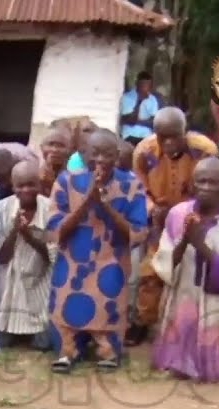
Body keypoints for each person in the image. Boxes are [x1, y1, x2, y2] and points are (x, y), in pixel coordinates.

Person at [47, 129, 149, 372]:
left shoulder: (131, 185)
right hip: (72, 258)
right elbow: (53, 230)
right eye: (95, 154)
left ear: (117, 156)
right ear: (83, 155)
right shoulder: (66, 181)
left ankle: (107, 350)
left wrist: (105, 205)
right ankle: (68, 350)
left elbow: (137, 233)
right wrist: (87, 201)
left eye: (107, 154)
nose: (100, 160)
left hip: (111, 259)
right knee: (67, 300)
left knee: (109, 298)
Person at [151, 158, 219, 382]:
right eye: (201, 182)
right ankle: (180, 362)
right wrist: (185, 241)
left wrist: (201, 245)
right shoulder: (178, 214)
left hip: (218, 301)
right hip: (184, 291)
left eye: (213, 183)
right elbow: (165, 260)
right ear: (193, 183)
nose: (206, 188)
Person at [126, 107, 219, 347]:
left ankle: (188, 326)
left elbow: (209, 186)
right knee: (151, 272)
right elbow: (139, 189)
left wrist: (188, 213)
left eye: (174, 136)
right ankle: (143, 322)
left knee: (190, 272)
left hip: (193, 217)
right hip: (159, 219)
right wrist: (152, 209)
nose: (169, 143)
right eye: (162, 137)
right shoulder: (144, 152)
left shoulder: (204, 150)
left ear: (184, 132)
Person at [0, 160, 54, 349]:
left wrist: (29, 236)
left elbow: (51, 258)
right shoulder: (2, 208)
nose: (26, 190)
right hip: (9, 293)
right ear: (13, 186)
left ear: (40, 184)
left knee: (43, 345)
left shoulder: (51, 209)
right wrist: (15, 232)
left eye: (31, 184)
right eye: (20, 185)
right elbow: (0, 258)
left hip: (39, 286)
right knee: (3, 342)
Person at [120, 71, 164, 145]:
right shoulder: (127, 97)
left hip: (146, 136)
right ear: (137, 84)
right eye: (143, 85)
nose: (145, 88)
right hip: (129, 135)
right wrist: (139, 101)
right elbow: (130, 121)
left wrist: (138, 121)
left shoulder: (152, 99)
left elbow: (154, 122)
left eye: (148, 85)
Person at [38, 127, 73, 199]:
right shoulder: (34, 176)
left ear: (69, 150)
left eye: (61, 145)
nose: (55, 150)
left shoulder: (75, 176)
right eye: (50, 144)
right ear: (41, 147)